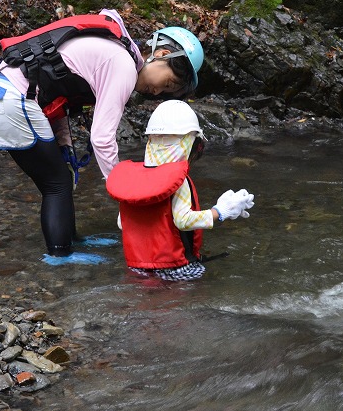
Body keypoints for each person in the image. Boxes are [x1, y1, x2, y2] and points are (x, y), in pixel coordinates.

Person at [0, 9, 204, 259]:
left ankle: (72, 240)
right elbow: (102, 139)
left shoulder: (117, 52)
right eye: (168, 83)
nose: (159, 92)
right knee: (57, 183)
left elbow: (55, 93)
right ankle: (60, 256)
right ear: (162, 54)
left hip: (1, 91)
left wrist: (64, 145)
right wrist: (125, 196)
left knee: (60, 176)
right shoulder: (123, 65)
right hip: (9, 98)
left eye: (168, 91)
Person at [106, 100, 254, 281]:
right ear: (191, 144)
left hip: (138, 269)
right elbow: (183, 221)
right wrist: (221, 211)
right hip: (176, 268)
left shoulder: (133, 179)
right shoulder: (178, 181)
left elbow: (123, 224)